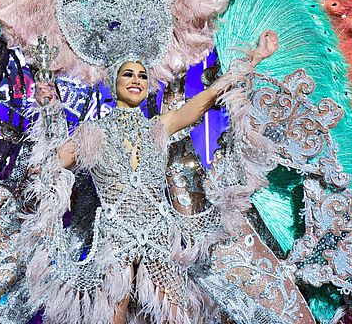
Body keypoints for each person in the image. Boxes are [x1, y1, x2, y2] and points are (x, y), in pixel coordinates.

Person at [28, 30, 279, 324]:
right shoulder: (90, 133)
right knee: (113, 315)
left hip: (159, 234)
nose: (136, 80)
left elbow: (206, 99)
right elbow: (45, 166)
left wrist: (255, 59)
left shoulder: (158, 127)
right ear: (114, 82)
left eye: (142, 76)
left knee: (175, 316)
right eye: (128, 75)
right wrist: (49, 112)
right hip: (116, 236)